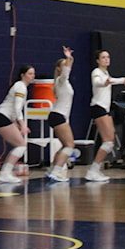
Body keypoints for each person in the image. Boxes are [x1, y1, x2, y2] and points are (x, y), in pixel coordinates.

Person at [87, 50, 125, 182]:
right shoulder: (96, 72)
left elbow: (109, 80)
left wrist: (120, 81)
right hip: (98, 108)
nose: (106, 59)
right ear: (98, 60)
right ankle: (93, 171)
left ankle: (95, 169)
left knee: (109, 142)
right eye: (103, 57)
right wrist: (109, 82)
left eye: (108, 57)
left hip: (104, 109)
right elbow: (97, 83)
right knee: (108, 141)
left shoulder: (106, 73)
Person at [0, 64, 35, 184]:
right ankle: (5, 173)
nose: (33, 76)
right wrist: (22, 125)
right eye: (30, 74)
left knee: (20, 145)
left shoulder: (21, 87)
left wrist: (15, 123)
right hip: (1, 117)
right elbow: (16, 108)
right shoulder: (20, 86)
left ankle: (5, 172)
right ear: (22, 75)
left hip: (3, 118)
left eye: (33, 74)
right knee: (21, 145)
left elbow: (14, 110)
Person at [45, 47, 76, 183]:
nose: (66, 68)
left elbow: (68, 70)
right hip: (58, 115)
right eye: (63, 66)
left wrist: (70, 59)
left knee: (65, 145)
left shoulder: (64, 83)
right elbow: (66, 73)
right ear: (58, 69)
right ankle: (57, 171)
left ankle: (52, 170)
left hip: (58, 115)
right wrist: (68, 57)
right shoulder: (61, 81)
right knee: (70, 145)